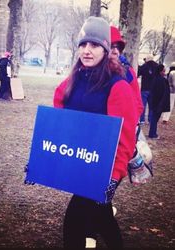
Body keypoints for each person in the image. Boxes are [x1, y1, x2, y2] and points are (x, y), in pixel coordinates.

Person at [53, 16, 136, 249]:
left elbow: (125, 140)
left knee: (74, 222)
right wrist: (44, 163)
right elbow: (59, 122)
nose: (87, 50)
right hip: (81, 162)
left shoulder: (117, 86)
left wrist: (113, 177)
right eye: (83, 44)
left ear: (105, 49)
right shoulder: (72, 81)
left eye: (95, 45)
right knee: (102, 215)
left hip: (105, 170)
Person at [110, 25, 143, 125]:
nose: (115, 51)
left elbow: (138, 104)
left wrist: (129, 123)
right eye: (111, 46)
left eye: (118, 47)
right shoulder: (91, 71)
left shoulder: (128, 72)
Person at [148, 64, 170, 139]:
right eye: (163, 71)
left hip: (155, 102)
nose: (164, 72)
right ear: (160, 71)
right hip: (158, 102)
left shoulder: (155, 78)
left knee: (154, 118)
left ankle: (153, 133)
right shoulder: (161, 80)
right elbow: (161, 93)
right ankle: (152, 134)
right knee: (155, 118)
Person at [137, 55, 158, 124]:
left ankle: (142, 120)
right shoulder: (157, 66)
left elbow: (138, 74)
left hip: (144, 88)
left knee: (143, 105)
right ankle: (150, 120)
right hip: (153, 89)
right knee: (151, 106)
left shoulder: (144, 66)